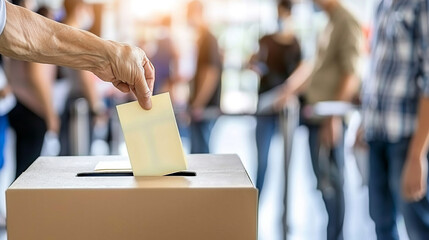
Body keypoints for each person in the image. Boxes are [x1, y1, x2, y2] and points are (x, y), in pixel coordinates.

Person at [275, 0, 361, 239]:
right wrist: (288, 90)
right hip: (317, 117)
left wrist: (333, 117)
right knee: (322, 181)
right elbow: (315, 67)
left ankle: (336, 235)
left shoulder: (346, 20)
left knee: (331, 182)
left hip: (328, 120)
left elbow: (351, 73)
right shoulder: (329, 21)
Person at [0, 0, 155, 111]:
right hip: (37, 107)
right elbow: (16, 32)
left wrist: (108, 56)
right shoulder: (66, 24)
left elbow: (7, 24)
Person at [362, 0, 429, 239]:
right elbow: (376, 70)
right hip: (377, 131)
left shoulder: (421, 5)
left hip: (407, 138)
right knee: (381, 221)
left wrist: (416, 155)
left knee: (417, 225)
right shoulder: (382, 4)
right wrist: (364, 123)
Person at [249, 0, 302, 198]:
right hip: (264, 106)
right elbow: (255, 61)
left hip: (285, 107)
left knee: (288, 163)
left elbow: (300, 74)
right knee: (262, 160)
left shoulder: (296, 43)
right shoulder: (266, 39)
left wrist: (286, 94)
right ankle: (255, 207)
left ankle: (285, 211)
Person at [4, 1, 60, 179]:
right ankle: (23, 207)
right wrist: (50, 115)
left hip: (17, 105)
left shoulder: (13, 31)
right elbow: (37, 77)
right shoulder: (34, 33)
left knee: (21, 170)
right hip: (33, 111)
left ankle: (17, 206)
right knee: (29, 175)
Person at [186, 0, 222, 154]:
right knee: (197, 152)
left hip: (205, 109)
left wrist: (198, 105)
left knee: (202, 155)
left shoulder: (209, 39)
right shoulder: (201, 40)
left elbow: (211, 74)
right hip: (201, 108)